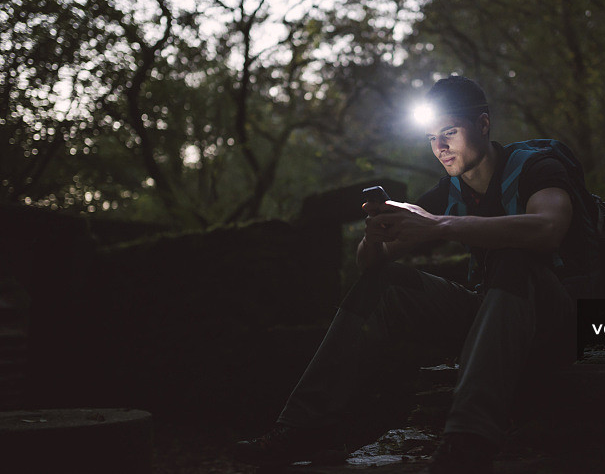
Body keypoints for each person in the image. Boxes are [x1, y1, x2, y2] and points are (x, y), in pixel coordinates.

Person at [235, 75, 581, 473]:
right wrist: (374, 238)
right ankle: (305, 427)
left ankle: (467, 441)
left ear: (483, 124)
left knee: (514, 258)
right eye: (432, 137)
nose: (440, 147)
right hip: (494, 316)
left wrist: (441, 226)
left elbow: (548, 229)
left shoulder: (537, 167)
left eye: (450, 132)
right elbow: (371, 264)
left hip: (562, 319)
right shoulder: (448, 192)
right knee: (384, 284)